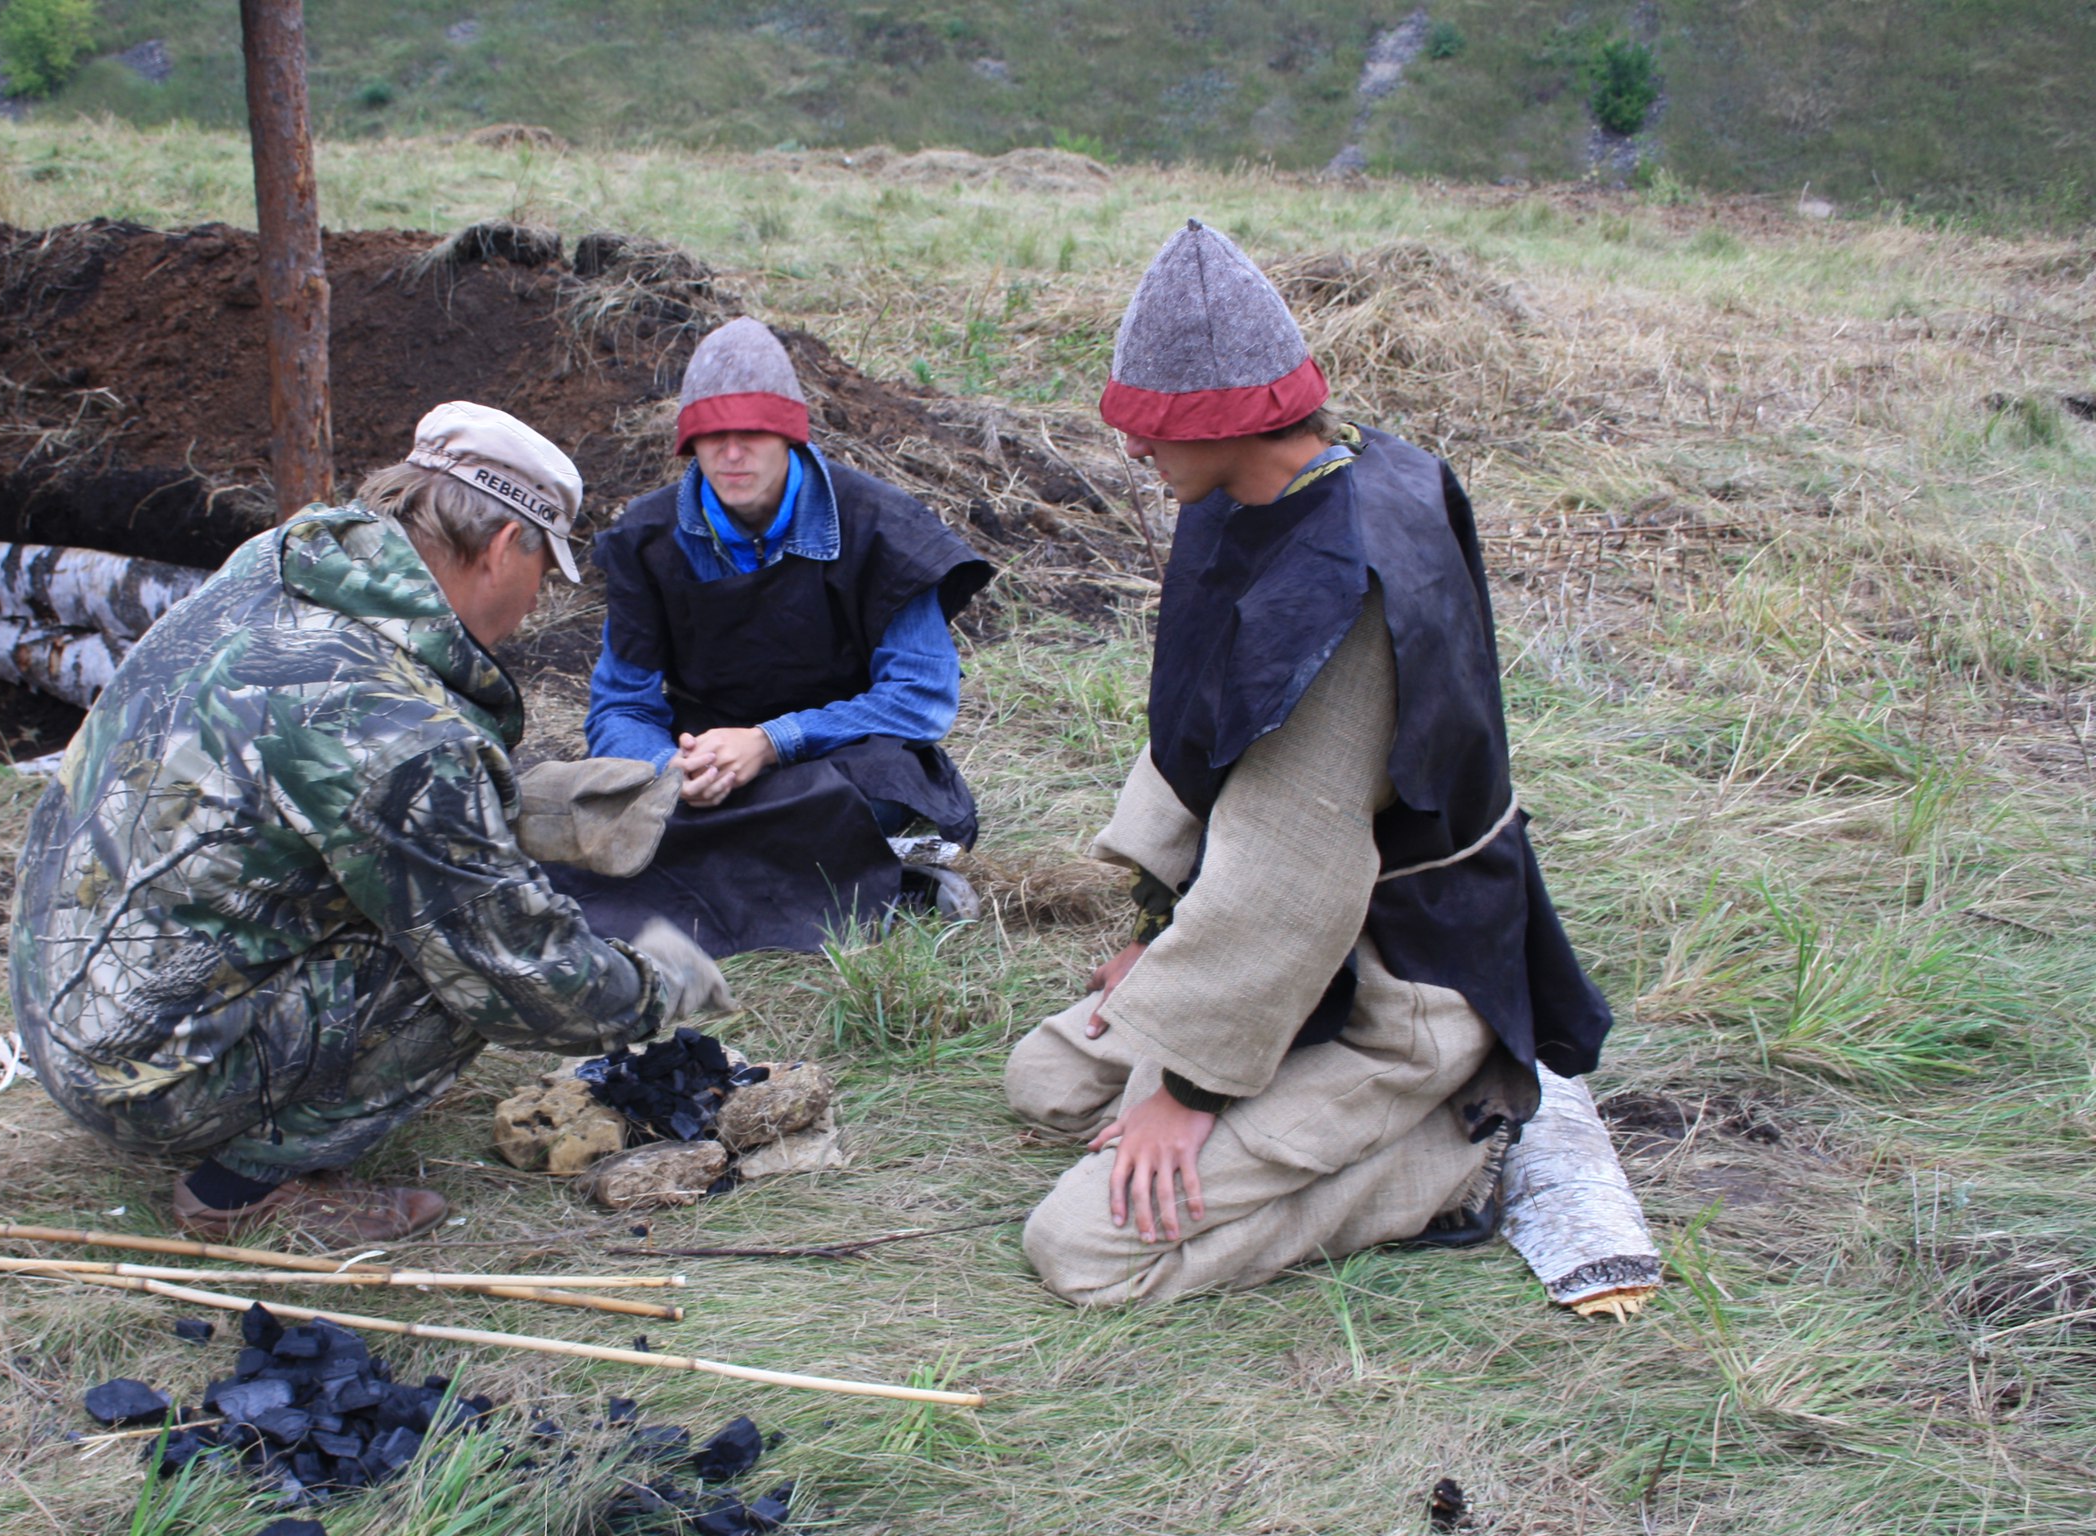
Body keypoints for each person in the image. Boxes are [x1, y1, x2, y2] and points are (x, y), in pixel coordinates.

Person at [1008, 220, 1614, 1306]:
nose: (1134, 450)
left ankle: (1451, 1153)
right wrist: (1156, 940)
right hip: (1293, 957)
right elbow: (1203, 730)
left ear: (1227, 421)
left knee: (1086, 1249)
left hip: (1397, 984)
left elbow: (1293, 876)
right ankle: (1269, 1091)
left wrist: (1186, 1088)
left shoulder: (1340, 591)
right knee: (1047, 1083)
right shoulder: (1256, 491)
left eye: (1153, 427)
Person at [10, 403, 730, 1245]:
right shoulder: (402, 731)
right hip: (136, 1074)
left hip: (60, 995)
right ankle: (241, 1188)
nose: (535, 605)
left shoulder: (280, 570)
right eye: (545, 572)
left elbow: (288, 789)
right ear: (503, 546)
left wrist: (502, 802)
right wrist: (659, 986)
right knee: (461, 965)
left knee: (443, 909)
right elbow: (520, 976)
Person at [546, 317, 995, 956]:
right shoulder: (647, 540)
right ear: (688, 444)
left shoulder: (881, 526)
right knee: (589, 800)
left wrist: (771, 743)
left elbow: (920, 698)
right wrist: (670, 772)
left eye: (752, 432)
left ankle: (747, 871)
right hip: (698, 758)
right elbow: (621, 705)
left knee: (861, 798)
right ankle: (879, 883)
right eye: (712, 435)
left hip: (834, 761)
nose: (732, 454)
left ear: (788, 434)